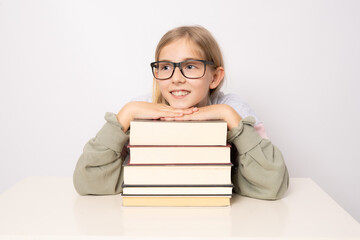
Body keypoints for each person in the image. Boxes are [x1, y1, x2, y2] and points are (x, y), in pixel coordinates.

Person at [73, 25, 289, 200]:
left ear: (214, 77)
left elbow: (272, 185)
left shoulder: (233, 110)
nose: (176, 78)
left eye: (190, 66)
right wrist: (126, 114)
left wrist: (228, 116)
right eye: (166, 67)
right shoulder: (140, 109)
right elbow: (88, 182)